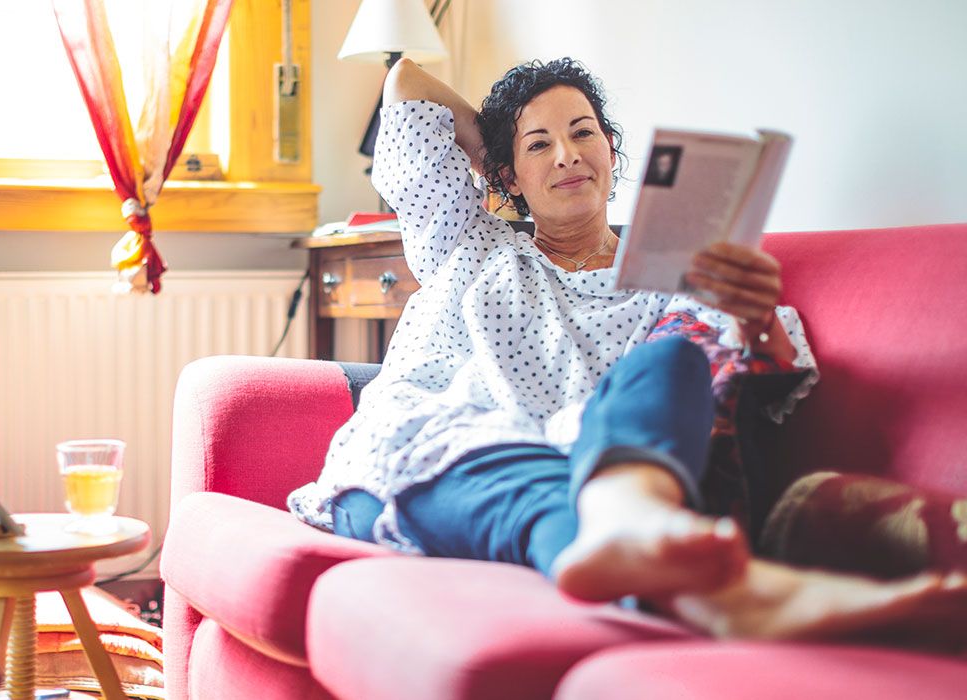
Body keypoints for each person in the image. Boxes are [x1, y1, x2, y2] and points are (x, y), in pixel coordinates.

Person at [287, 57, 966, 642]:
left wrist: (754, 314)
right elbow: (406, 82)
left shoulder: (669, 277)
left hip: (588, 469)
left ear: (612, 150)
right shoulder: (467, 243)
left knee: (674, 358)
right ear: (508, 176)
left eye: (584, 133)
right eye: (539, 145)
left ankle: (633, 528)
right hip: (424, 458)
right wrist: (495, 142)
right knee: (537, 497)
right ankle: (710, 584)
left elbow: (746, 377)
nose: (567, 155)